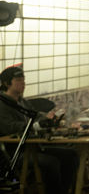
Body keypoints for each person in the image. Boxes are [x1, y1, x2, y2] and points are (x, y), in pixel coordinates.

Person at [0, 64, 79, 194]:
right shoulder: (2, 104)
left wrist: (47, 118)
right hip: (15, 151)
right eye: (18, 80)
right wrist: (34, 125)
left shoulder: (21, 101)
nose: (23, 83)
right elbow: (9, 127)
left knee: (71, 154)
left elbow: (35, 114)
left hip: (34, 145)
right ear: (6, 83)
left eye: (23, 80)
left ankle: (63, 190)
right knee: (51, 162)